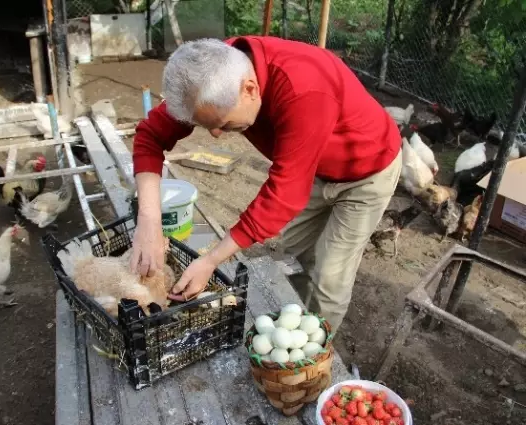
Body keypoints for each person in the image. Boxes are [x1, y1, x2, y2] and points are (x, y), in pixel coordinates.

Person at [129, 35, 402, 332]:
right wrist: (149, 221)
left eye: (224, 124)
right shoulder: (210, 78)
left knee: (329, 277)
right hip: (313, 169)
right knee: (295, 251)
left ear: (250, 89)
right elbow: (149, 138)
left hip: (367, 171)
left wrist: (210, 260)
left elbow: (284, 195)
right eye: (207, 126)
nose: (217, 135)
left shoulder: (304, 90)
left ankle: (313, 356)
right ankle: (295, 319)